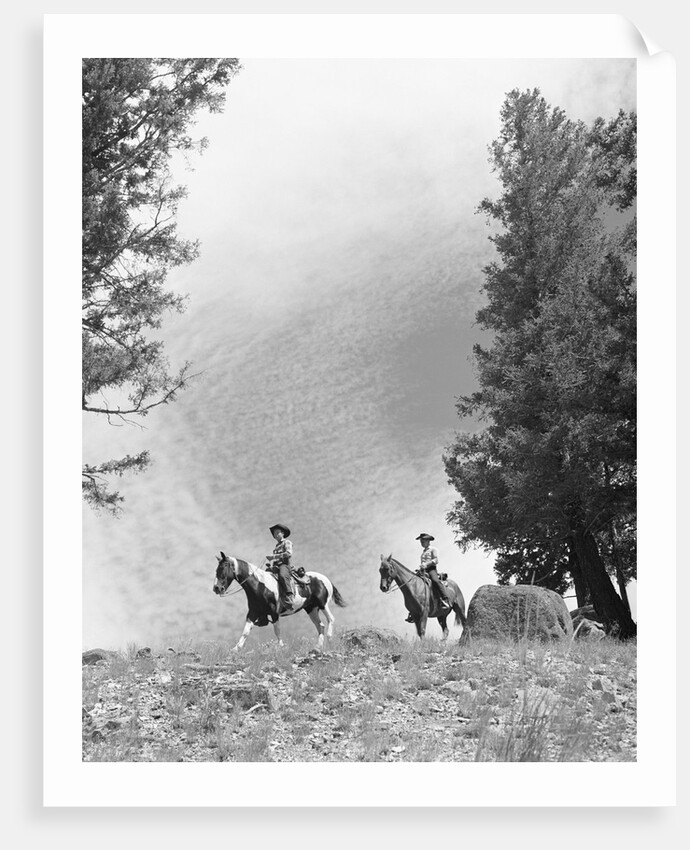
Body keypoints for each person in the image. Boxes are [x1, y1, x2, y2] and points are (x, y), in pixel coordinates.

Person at [405, 532, 450, 622]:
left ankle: (444, 599)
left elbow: (436, 560)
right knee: (414, 583)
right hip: (423, 571)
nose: (422, 542)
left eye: (423, 540)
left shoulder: (433, 549)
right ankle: (413, 610)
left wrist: (426, 564)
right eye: (421, 541)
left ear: (428, 541)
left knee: (435, 581)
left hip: (431, 570)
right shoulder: (423, 552)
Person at [265, 523, 295, 611]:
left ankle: (289, 596)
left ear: (282, 533)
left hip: (285, 565)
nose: (276, 535)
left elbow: (289, 554)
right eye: (274, 534)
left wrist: (273, 557)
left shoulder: (287, 542)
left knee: (282, 575)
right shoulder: (276, 547)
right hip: (276, 566)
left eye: (278, 532)